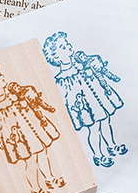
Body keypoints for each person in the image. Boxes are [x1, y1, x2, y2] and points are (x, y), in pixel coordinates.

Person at [0, 62, 63, 193]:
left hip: (32, 130)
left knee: (43, 153)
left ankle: (50, 178)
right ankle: (36, 189)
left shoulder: (14, 94)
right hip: (19, 139)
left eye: (0, 75)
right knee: (31, 162)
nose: (1, 78)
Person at [43, 31, 126, 167]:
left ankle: (112, 145)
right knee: (94, 129)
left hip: (98, 100)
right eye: (63, 47)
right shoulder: (62, 78)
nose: (68, 46)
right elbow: (65, 98)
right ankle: (98, 155)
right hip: (85, 108)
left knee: (106, 121)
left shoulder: (81, 64)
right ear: (56, 57)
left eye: (67, 44)